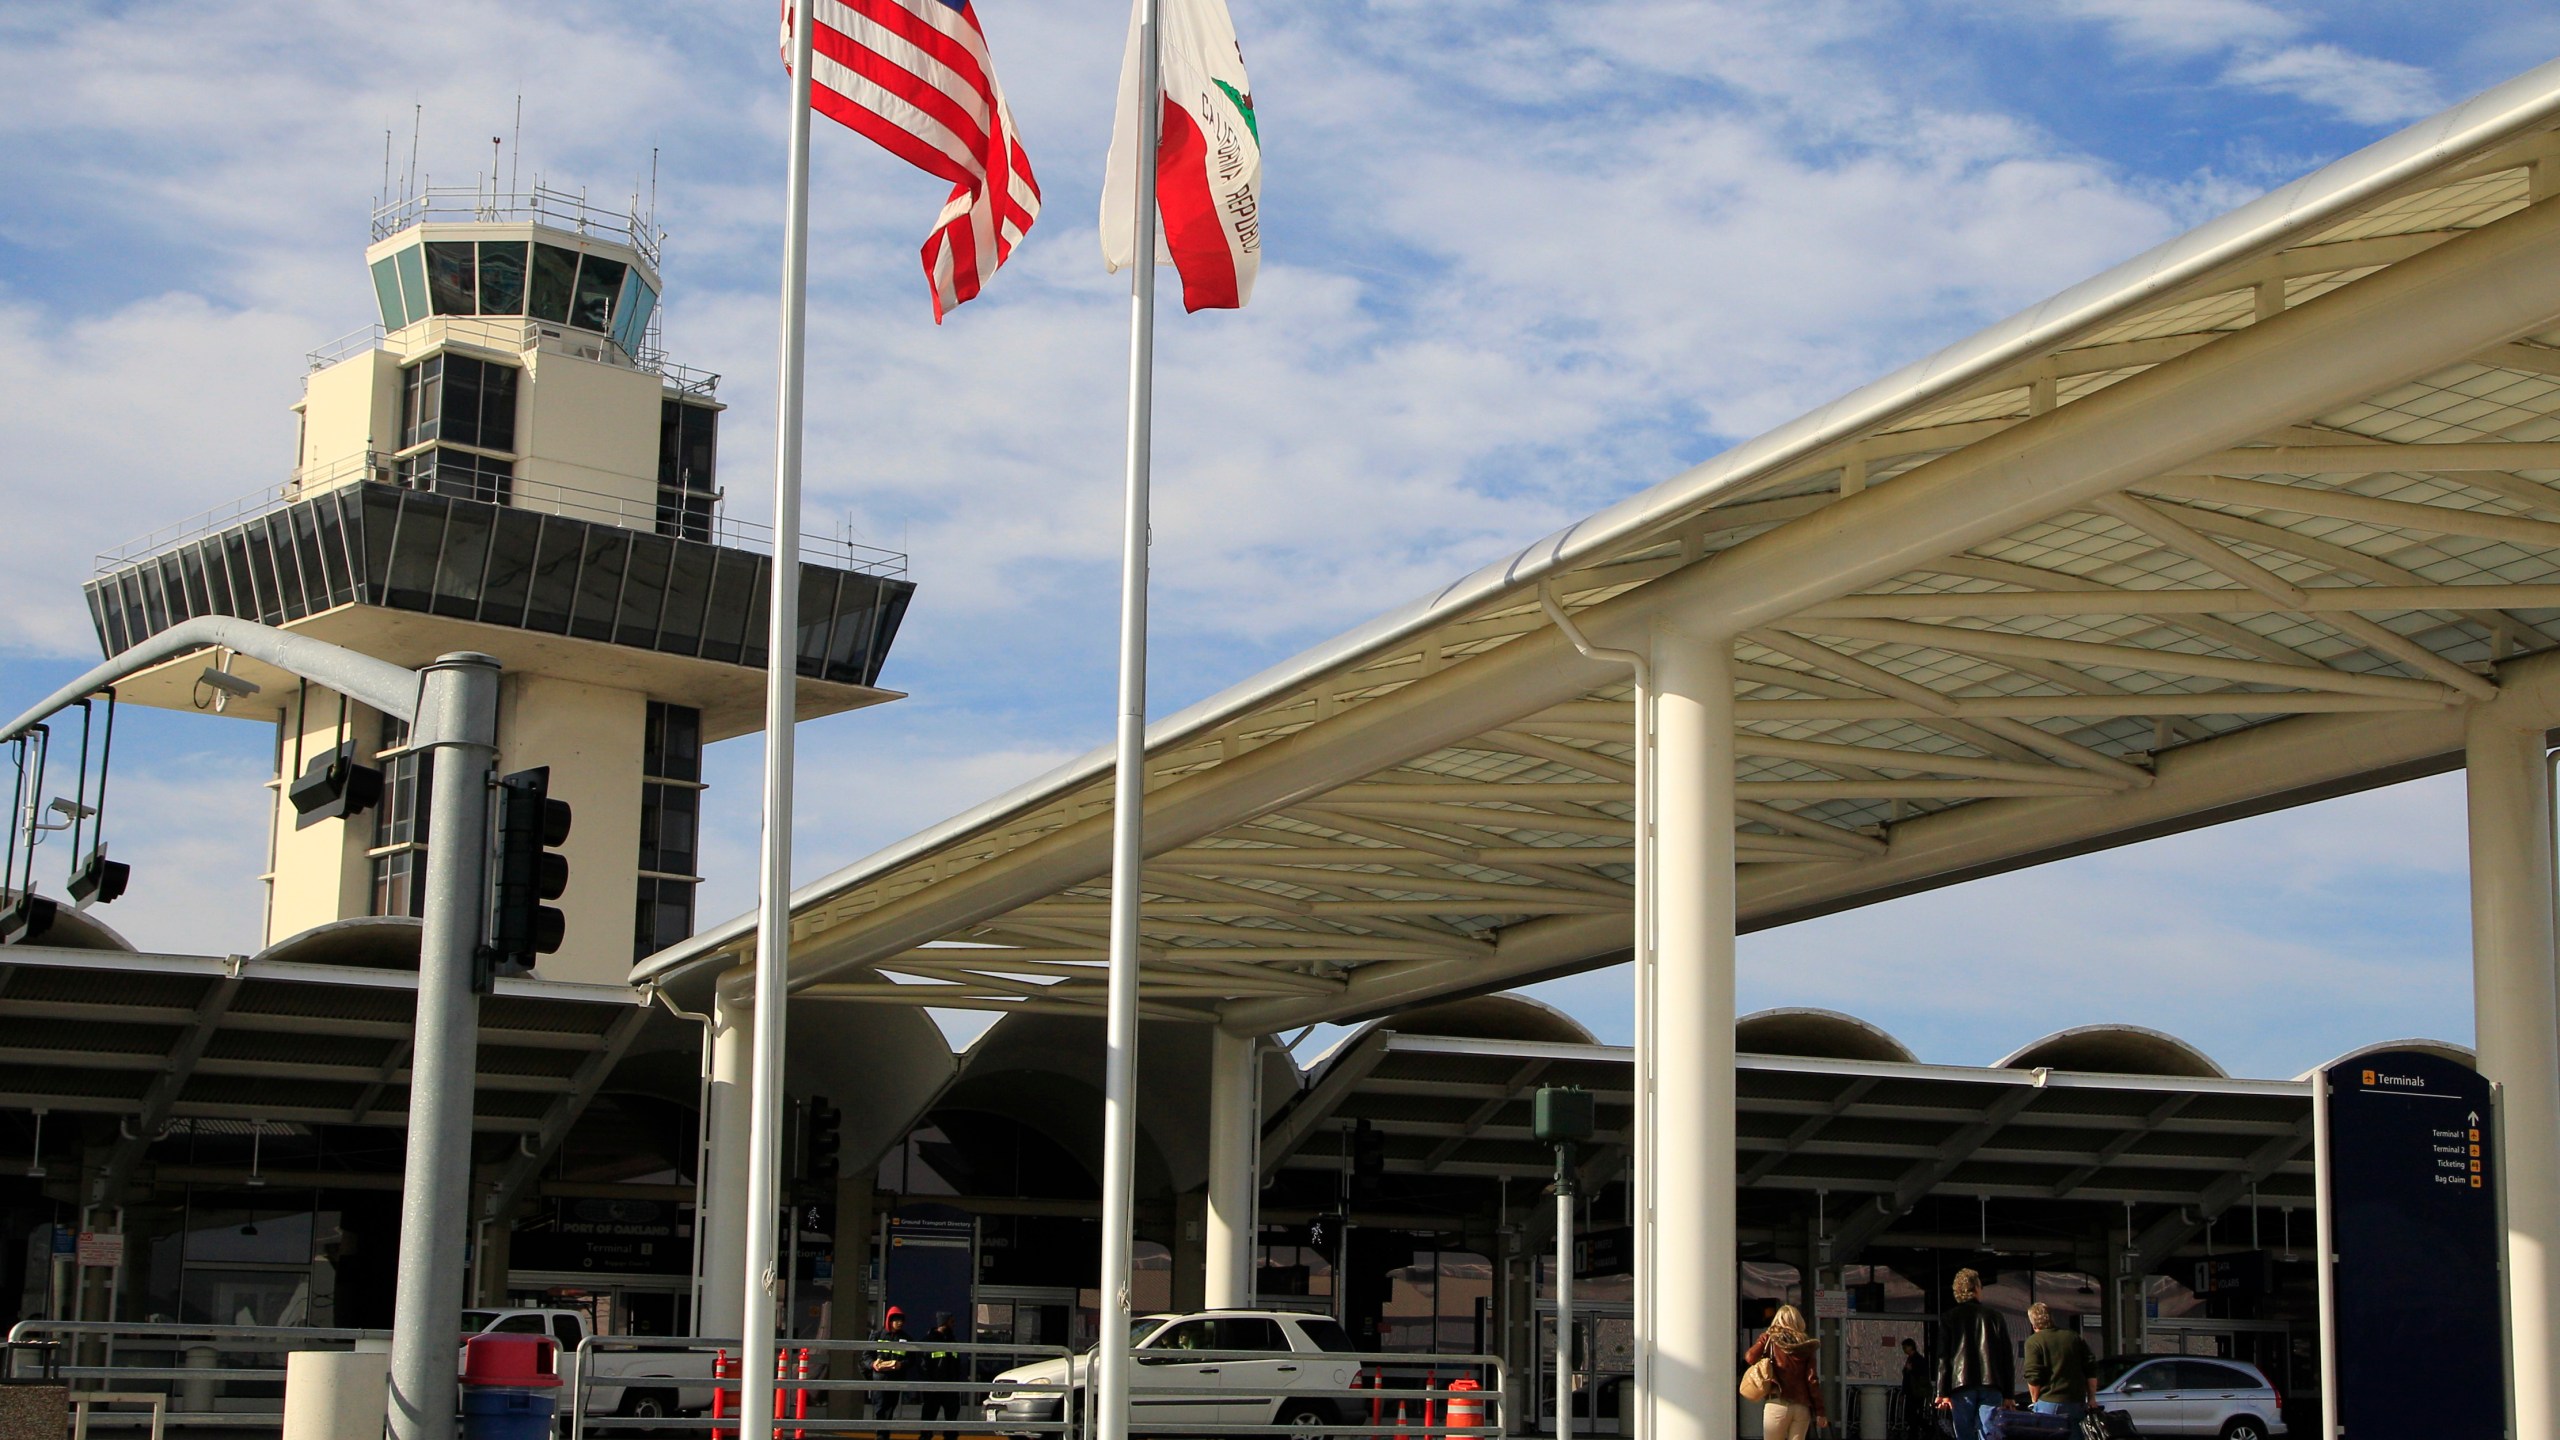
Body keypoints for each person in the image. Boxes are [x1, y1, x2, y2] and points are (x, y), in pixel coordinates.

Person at [1933, 1269, 2014, 1440]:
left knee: (1964, 1433)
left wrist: (1942, 1392)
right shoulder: (1995, 1317)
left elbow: (1943, 1358)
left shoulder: (1949, 1318)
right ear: (1976, 1288)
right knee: (1990, 1432)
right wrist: (2009, 1394)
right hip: (1992, 1384)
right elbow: (2006, 1357)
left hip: (1961, 1386)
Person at [1742, 1304, 1825, 1440]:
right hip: (1801, 1407)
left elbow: (1750, 1358)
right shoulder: (1806, 1345)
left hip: (1777, 1404)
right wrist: (1820, 1411)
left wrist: (1765, 1338)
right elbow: (1812, 1380)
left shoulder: (1770, 1339)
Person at [2021, 1303, 2097, 1425]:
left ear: (2033, 1323)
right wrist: (2092, 1398)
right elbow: (2090, 1367)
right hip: (2076, 1401)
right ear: (2051, 1318)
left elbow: (2033, 1375)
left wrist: (2035, 1400)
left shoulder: (2034, 1342)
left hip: (2049, 1402)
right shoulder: (2073, 1337)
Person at [918, 1313, 965, 1440]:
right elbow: (922, 1364)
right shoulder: (929, 1341)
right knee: (928, 1417)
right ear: (944, 1323)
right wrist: (929, 1381)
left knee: (951, 1419)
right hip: (933, 1387)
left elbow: (957, 1363)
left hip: (951, 1387)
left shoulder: (952, 1340)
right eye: (951, 1322)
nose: (954, 1324)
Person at [871, 1305, 913, 1439]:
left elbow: (911, 1360)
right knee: (880, 1409)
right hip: (879, 1379)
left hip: (895, 1379)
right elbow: (865, 1356)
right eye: (896, 1320)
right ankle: (881, 1437)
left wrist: (901, 1364)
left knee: (889, 1410)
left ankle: (884, 1436)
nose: (899, 1323)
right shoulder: (877, 1336)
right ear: (889, 1320)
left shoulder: (907, 1338)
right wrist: (873, 1364)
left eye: (901, 1320)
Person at [1897, 1338, 1933, 1439]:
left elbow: (1921, 1375)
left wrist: (1911, 1370)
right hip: (1911, 1391)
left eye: (1905, 1347)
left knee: (1913, 1414)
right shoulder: (1911, 1359)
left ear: (1910, 1347)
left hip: (1916, 1391)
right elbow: (1906, 1378)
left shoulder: (1918, 1360)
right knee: (1910, 1414)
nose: (1904, 1349)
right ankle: (1918, 1431)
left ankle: (1923, 1430)